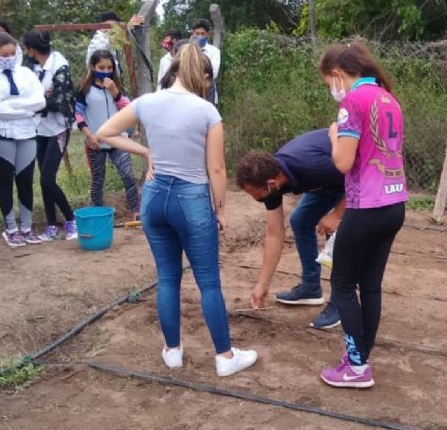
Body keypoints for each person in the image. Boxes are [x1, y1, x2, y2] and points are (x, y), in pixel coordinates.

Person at [96, 43, 257, 377]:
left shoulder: (146, 102)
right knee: (208, 282)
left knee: (167, 278)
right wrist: (221, 209)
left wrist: (146, 153)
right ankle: (225, 357)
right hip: (192, 198)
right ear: (201, 73)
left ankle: (172, 351)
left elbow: (104, 134)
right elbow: (216, 169)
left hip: (154, 197)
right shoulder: (207, 111)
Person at [316, 42, 408, 388]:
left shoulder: (352, 101)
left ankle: (356, 369)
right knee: (370, 286)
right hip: (394, 203)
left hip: (365, 205)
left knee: (341, 285)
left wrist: (334, 135)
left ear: (338, 74)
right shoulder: (388, 98)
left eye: (329, 83)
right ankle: (360, 359)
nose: (332, 90)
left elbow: (343, 162)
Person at [235, 129, 345, 329]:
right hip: (329, 182)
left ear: (270, 184)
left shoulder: (311, 165)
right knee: (301, 220)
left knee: (340, 233)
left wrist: (337, 215)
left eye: (256, 195)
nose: (256, 200)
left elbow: (359, 177)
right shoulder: (272, 183)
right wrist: (262, 284)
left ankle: (341, 302)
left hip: (350, 175)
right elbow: (274, 234)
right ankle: (311, 287)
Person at [0, 32, 46, 247]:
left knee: (26, 179)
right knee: (5, 179)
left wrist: (13, 105)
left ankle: (26, 227)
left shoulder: (25, 72)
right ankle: (11, 228)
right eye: (4, 54)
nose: (9, 57)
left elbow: (40, 101)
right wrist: (24, 108)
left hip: (26, 131)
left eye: (12, 53)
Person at [22, 30, 77, 241]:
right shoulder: (31, 68)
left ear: (31, 50)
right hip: (39, 127)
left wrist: (36, 101)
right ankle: (52, 225)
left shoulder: (60, 66)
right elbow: (27, 93)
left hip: (58, 128)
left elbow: (60, 103)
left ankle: (71, 220)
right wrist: (39, 98)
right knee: (44, 178)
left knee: (47, 178)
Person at [75, 49, 140, 221]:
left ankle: (136, 210)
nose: (105, 71)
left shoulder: (116, 87)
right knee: (98, 181)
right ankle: (98, 214)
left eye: (109, 67)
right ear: (92, 67)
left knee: (127, 175)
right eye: (101, 67)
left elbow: (127, 108)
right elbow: (78, 113)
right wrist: (88, 134)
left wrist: (115, 92)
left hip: (118, 140)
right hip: (95, 142)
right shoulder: (85, 89)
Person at [190, 19, 220, 104]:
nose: (200, 36)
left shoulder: (214, 51)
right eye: (197, 33)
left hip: (208, 92)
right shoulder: (188, 50)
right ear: (193, 33)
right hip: (190, 92)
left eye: (202, 34)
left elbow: (213, 73)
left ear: (207, 34)